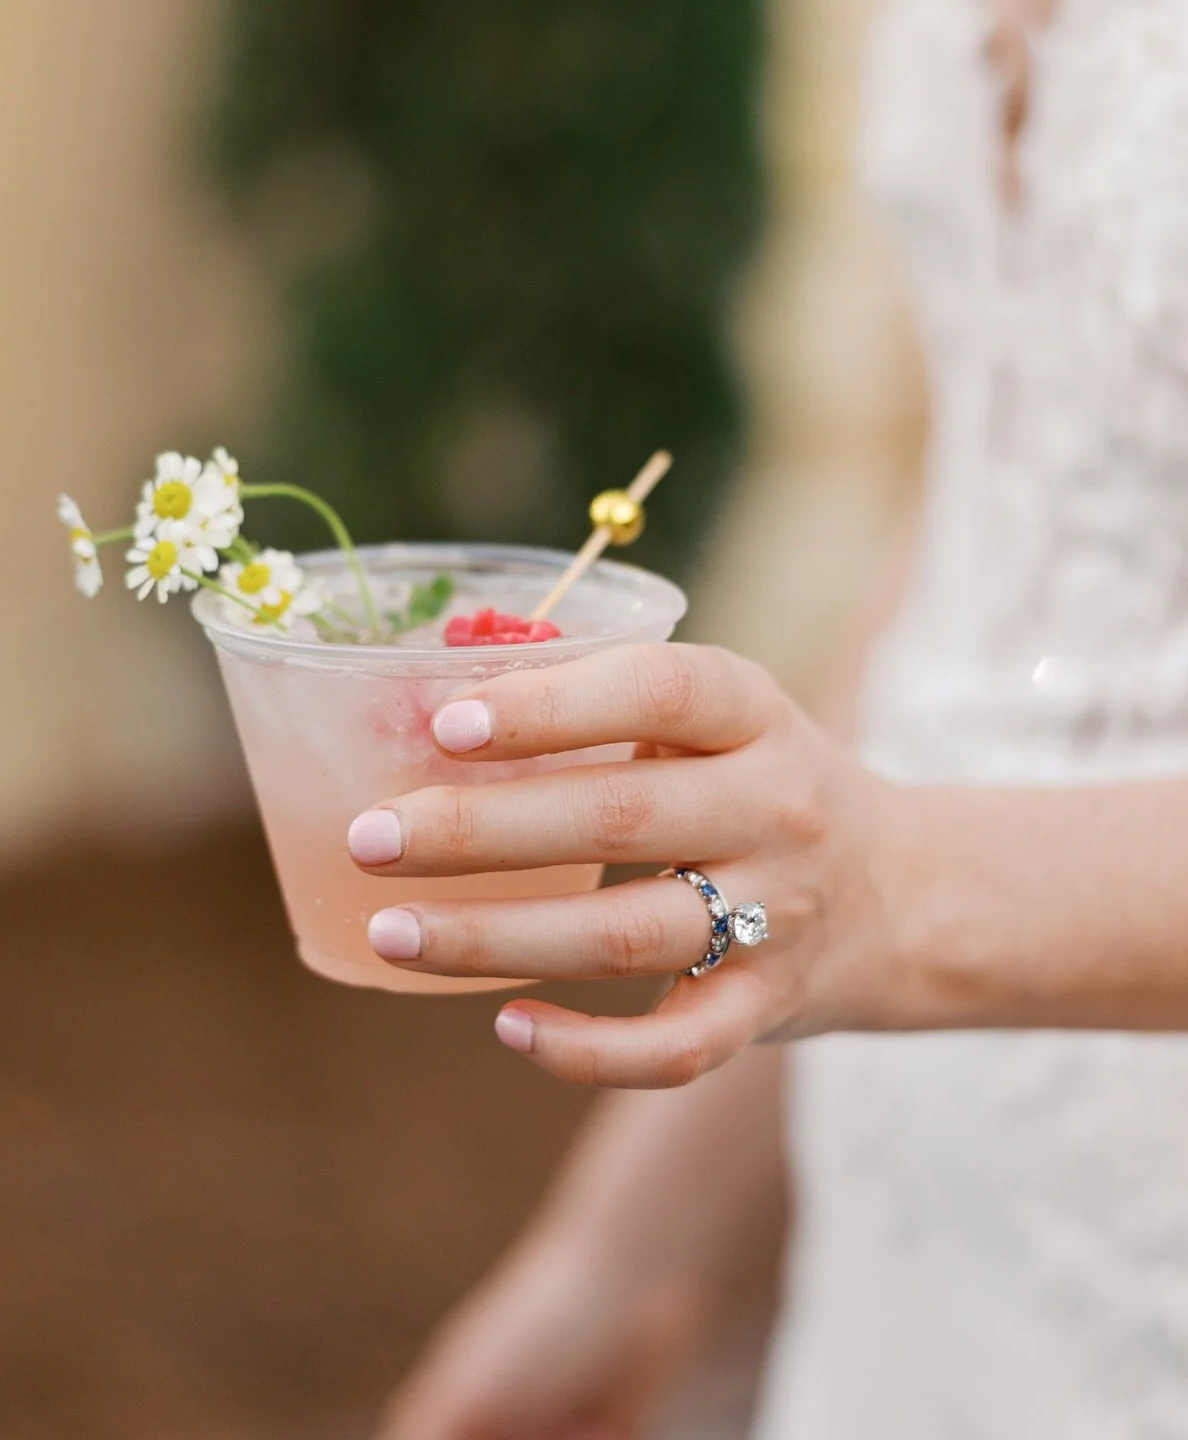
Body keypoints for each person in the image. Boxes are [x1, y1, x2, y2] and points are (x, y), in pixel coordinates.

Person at [352, 0, 1188, 1434]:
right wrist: (620, 1251)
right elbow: (993, 539)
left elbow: (887, 878)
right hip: (915, 1262)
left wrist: (902, 892)